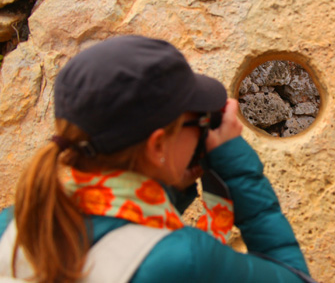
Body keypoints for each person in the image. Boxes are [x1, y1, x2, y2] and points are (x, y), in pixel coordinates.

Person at [0, 35, 310, 282]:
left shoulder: (14, 225)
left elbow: (122, 231)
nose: (204, 127)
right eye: (196, 121)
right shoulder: (185, 260)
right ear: (157, 146)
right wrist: (233, 160)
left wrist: (168, 178)